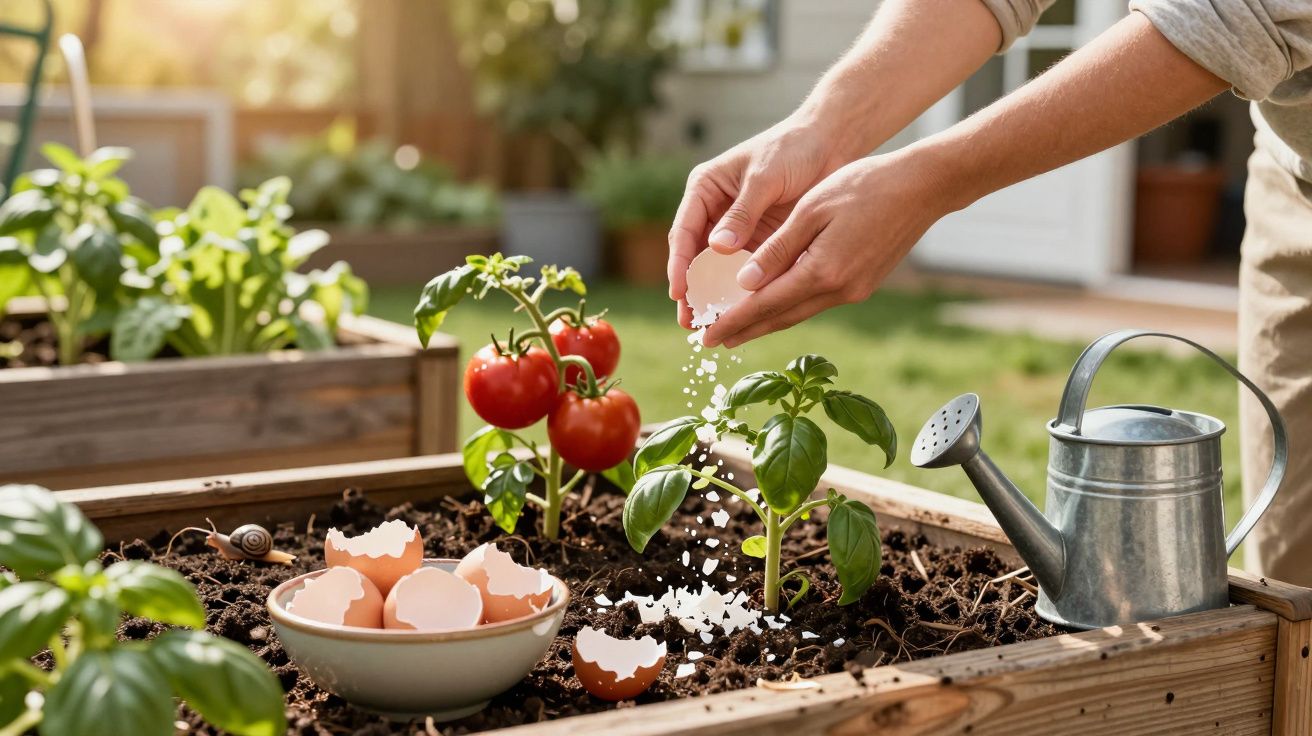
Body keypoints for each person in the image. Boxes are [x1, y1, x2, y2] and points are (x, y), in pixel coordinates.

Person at [667, 0, 1312, 586]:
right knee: (1296, 578)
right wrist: (820, 127)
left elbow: (1241, 14)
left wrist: (929, 183)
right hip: (1294, 169)